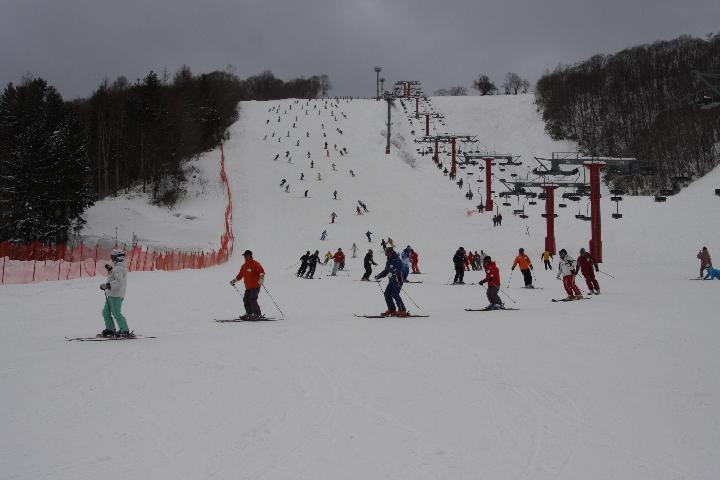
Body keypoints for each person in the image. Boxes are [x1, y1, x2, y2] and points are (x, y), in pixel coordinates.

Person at [99, 249, 132, 337]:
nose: (112, 259)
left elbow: (118, 282)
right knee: (105, 312)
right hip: (111, 294)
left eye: (113, 257)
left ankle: (124, 330)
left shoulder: (119, 268)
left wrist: (107, 286)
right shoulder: (117, 268)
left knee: (116, 313)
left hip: (116, 295)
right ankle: (110, 329)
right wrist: (110, 270)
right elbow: (114, 276)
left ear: (118, 258)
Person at [230, 250, 266, 319]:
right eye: (244, 256)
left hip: (255, 286)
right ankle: (249, 313)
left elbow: (261, 272)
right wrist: (234, 281)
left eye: (246, 256)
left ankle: (257, 314)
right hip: (248, 287)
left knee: (252, 299)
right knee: (246, 299)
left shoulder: (255, 264)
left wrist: (261, 279)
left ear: (250, 256)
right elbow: (240, 275)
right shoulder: (244, 266)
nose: (245, 257)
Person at [375, 247, 408, 317]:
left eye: (387, 253)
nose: (386, 255)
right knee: (387, 294)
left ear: (391, 252)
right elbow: (386, 271)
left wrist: (392, 272)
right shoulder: (388, 261)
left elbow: (399, 268)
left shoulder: (397, 259)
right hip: (391, 281)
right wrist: (379, 276)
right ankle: (392, 309)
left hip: (398, 280)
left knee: (395, 294)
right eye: (386, 254)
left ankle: (402, 310)